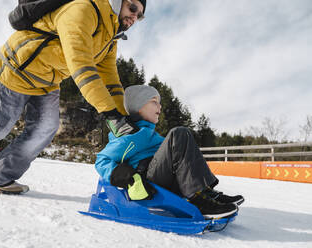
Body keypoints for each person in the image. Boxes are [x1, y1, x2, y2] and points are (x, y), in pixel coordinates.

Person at [0, 0, 146, 193]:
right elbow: (81, 65)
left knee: (45, 128)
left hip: (48, 80)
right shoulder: (84, 10)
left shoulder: (111, 38)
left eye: (140, 15)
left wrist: (123, 115)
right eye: (133, 8)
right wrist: (109, 113)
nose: (134, 17)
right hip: (20, 67)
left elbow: (110, 80)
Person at [95, 85, 245, 219]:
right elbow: (102, 160)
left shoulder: (152, 135)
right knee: (179, 133)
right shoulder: (128, 135)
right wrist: (127, 177)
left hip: (164, 177)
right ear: (138, 107)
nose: (159, 106)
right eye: (154, 102)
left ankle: (204, 193)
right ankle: (197, 200)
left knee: (180, 138)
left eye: (159, 102)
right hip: (147, 182)